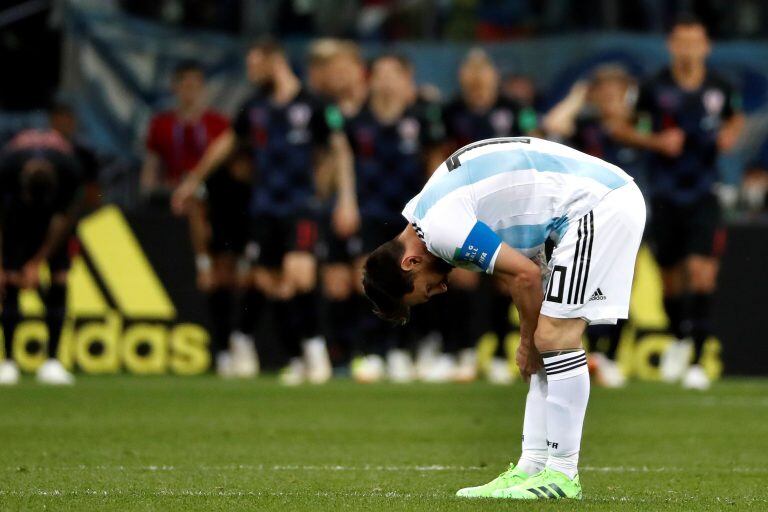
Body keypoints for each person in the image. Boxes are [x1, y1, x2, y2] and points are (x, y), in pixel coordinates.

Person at [363, 136, 645, 499]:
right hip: (571, 213)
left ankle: (561, 475)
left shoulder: (442, 231)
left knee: (553, 338)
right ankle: (532, 466)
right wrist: (532, 338)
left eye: (424, 291)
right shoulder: (424, 214)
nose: (439, 291)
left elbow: (523, 275)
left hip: (597, 206)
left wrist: (526, 341)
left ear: (411, 263)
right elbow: (517, 272)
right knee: (548, 340)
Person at [172, 40, 359, 385]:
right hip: (263, 208)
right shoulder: (254, 107)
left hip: (300, 206)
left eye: (254, 64)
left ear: (275, 61)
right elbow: (226, 142)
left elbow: (339, 149)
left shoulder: (313, 104)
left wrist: (346, 199)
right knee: (268, 283)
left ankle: (315, 352)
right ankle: (283, 349)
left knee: (299, 273)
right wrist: (193, 181)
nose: (250, 72)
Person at [611, 15, 744, 390]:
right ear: (672, 46)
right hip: (666, 193)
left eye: (695, 42)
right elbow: (622, 127)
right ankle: (679, 340)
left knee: (702, 271)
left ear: (706, 47)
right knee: (670, 282)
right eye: (681, 42)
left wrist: (731, 134)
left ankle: (699, 358)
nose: (688, 49)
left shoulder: (721, 86)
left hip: (705, 191)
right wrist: (655, 141)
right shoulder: (653, 87)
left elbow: (735, 118)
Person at [330, 53, 443, 383]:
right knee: (368, 280)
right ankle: (373, 352)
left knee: (413, 280)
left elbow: (435, 163)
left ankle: (403, 350)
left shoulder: (420, 117)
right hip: (369, 210)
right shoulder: (357, 120)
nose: (386, 81)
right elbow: (345, 163)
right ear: (371, 79)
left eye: (393, 74)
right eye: (380, 74)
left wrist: (431, 209)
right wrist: (346, 202)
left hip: (410, 214)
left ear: (406, 79)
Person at [141, 61, 255, 377]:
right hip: (176, 205)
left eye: (195, 85)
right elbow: (151, 166)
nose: (190, 91)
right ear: (175, 88)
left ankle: (236, 344)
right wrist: (151, 191)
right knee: (209, 278)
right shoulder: (161, 124)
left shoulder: (220, 125)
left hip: (219, 206)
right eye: (184, 85)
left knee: (234, 278)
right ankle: (221, 349)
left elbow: (231, 168)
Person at [440, 49, 538, 384]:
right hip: (464, 206)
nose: (478, 76)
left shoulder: (515, 110)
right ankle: (463, 352)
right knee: (462, 278)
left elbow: (532, 151)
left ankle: (498, 353)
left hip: (507, 208)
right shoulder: (450, 112)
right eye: (471, 68)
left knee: (504, 280)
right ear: (462, 75)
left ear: (495, 74)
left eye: (484, 69)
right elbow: (437, 158)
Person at [544, 65, 644, 387]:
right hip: (584, 218)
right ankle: (583, 354)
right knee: (579, 286)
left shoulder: (642, 127)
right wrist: (577, 97)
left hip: (630, 215)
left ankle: (610, 356)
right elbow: (552, 125)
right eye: (604, 93)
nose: (611, 100)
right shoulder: (586, 128)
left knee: (621, 286)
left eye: (617, 93)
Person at [0, 129, 84, 385]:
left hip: (53, 224)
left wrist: (36, 262)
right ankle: (8, 362)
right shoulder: (5, 168)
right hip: (13, 218)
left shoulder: (70, 170)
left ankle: (53, 362)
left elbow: (64, 219)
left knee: (60, 277)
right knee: (10, 279)